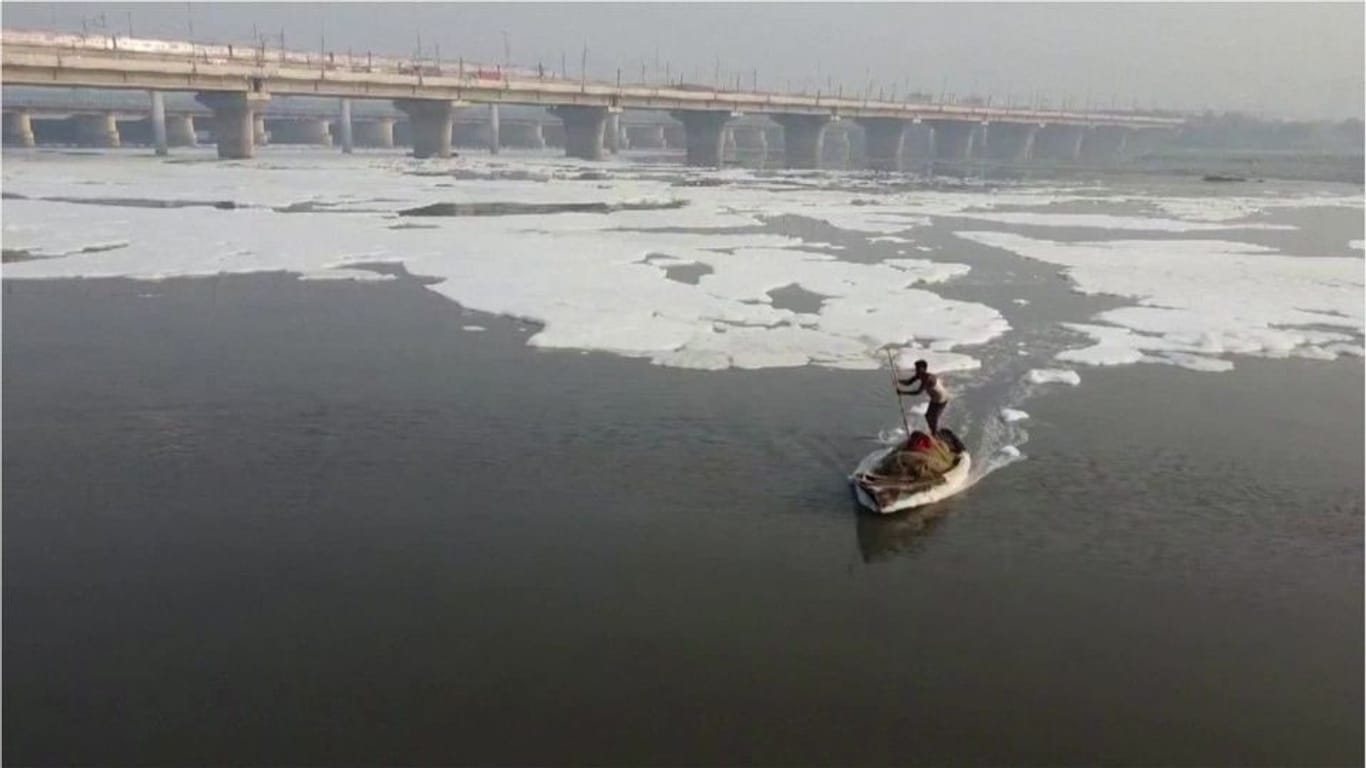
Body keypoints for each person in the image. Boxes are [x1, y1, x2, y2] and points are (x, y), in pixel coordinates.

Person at [898, 359, 949, 436]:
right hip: (935, 398)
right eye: (916, 368)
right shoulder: (919, 375)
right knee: (928, 416)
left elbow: (918, 392)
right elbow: (908, 382)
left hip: (941, 399)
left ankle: (934, 434)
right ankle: (933, 431)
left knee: (933, 417)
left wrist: (903, 393)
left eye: (918, 368)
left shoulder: (928, 378)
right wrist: (898, 381)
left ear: (923, 369)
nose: (916, 370)